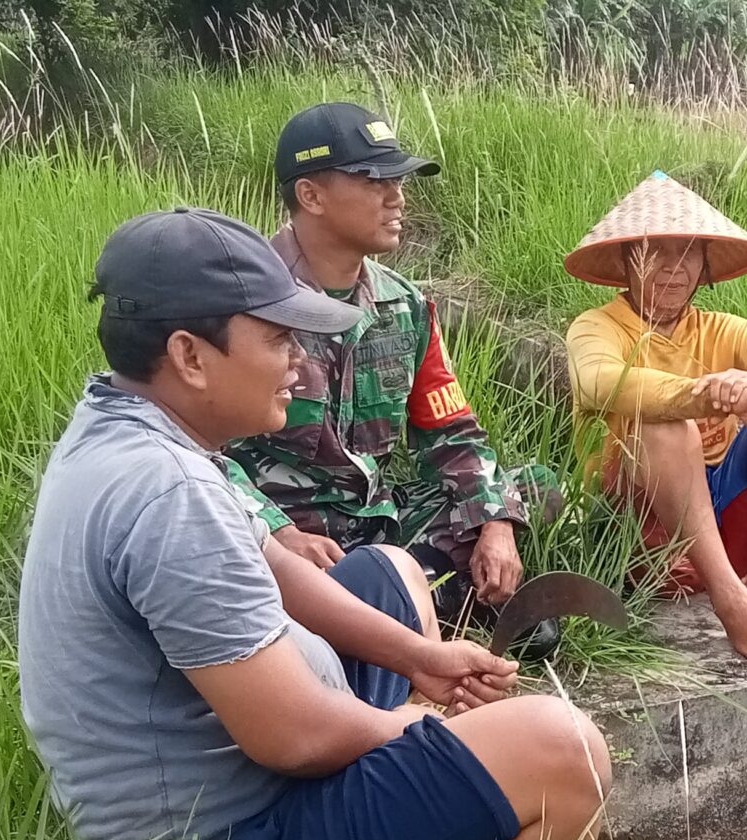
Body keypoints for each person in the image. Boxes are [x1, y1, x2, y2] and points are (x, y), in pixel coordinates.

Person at [19, 207, 613, 840]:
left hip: (238, 778)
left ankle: (436, 813)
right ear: (190, 356)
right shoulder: (171, 497)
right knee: (565, 749)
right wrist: (412, 725)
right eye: (277, 339)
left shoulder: (134, 427)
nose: (299, 363)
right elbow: (293, 738)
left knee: (391, 569)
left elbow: (276, 566)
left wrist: (419, 659)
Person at [224, 102, 562, 645]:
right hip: (285, 534)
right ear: (310, 195)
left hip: (376, 521)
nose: (397, 197)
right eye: (373, 181)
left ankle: (403, 596)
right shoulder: (244, 302)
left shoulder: (403, 305)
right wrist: (276, 534)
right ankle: (419, 599)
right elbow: (198, 450)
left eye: (398, 180)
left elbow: (451, 432)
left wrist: (494, 525)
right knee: (229, 546)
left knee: (533, 488)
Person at [562, 172, 747, 668]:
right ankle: (731, 603)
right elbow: (600, 382)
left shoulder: (723, 329)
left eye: (687, 253)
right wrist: (710, 397)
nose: (673, 267)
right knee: (665, 424)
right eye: (655, 252)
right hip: (636, 533)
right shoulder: (595, 327)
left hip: (722, 519)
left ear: (704, 265)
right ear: (625, 261)